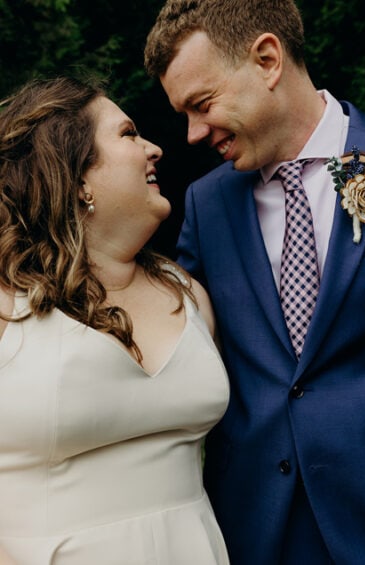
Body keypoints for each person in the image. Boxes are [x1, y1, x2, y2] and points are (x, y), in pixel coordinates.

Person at [143, 1, 365, 563]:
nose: (193, 134)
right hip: (255, 519)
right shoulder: (205, 202)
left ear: (268, 59)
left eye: (202, 105)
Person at [0, 77, 229, 563]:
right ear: (77, 176)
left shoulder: (188, 293)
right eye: (128, 134)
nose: (154, 148)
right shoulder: (6, 302)